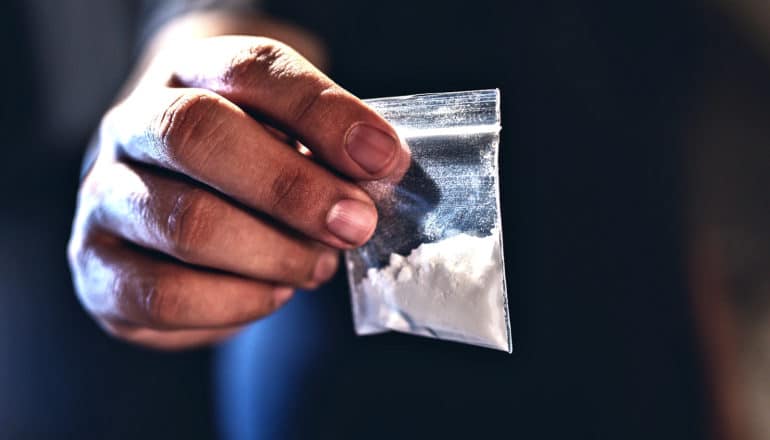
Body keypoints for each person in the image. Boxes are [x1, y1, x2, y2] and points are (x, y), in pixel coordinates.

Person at [68, 0, 710, 438]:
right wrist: (182, 126)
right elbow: (222, 30)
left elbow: (654, 113)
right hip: (366, 383)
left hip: (636, 329)